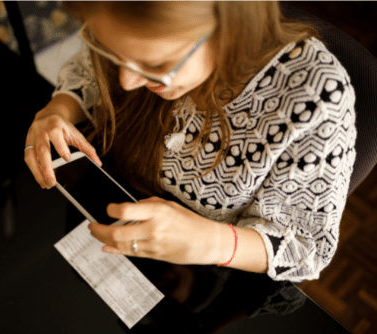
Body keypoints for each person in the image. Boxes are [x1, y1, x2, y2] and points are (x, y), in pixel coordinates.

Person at [24, 1, 356, 282]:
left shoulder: (313, 97)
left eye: (156, 66)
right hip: (105, 214)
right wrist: (57, 110)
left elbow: (305, 246)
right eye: (112, 53)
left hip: (207, 274)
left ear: (231, 31)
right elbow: (89, 73)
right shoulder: (126, 25)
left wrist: (213, 243)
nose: (127, 83)